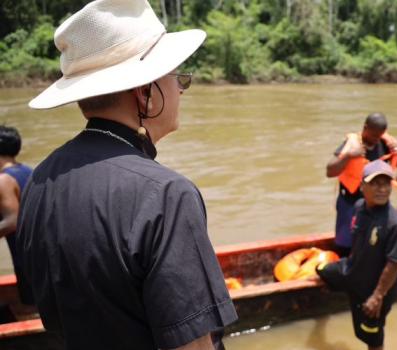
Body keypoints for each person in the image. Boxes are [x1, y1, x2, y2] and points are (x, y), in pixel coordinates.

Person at [16, 1, 236, 349]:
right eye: (177, 78)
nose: (180, 90)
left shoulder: (40, 179)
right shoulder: (166, 194)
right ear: (145, 93)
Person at [317, 160, 397, 350]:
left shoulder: (395, 225)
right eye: (375, 183)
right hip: (352, 270)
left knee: (372, 337)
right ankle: (321, 319)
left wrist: (377, 297)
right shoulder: (359, 207)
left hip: (374, 287)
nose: (381, 189)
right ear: (362, 186)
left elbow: (393, 265)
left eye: (385, 183)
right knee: (321, 271)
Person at [326, 113, 397, 256]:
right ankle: (344, 261)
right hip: (351, 200)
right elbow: (330, 170)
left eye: (379, 136)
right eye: (373, 135)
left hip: (376, 201)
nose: (376, 140)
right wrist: (349, 155)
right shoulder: (352, 144)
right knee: (346, 241)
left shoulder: (384, 143)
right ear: (365, 128)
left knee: (374, 238)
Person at [0, 126, 34, 307]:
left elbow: (12, 221)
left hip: (24, 254)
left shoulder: (3, 180)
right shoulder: (27, 170)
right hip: (39, 250)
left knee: (31, 301)